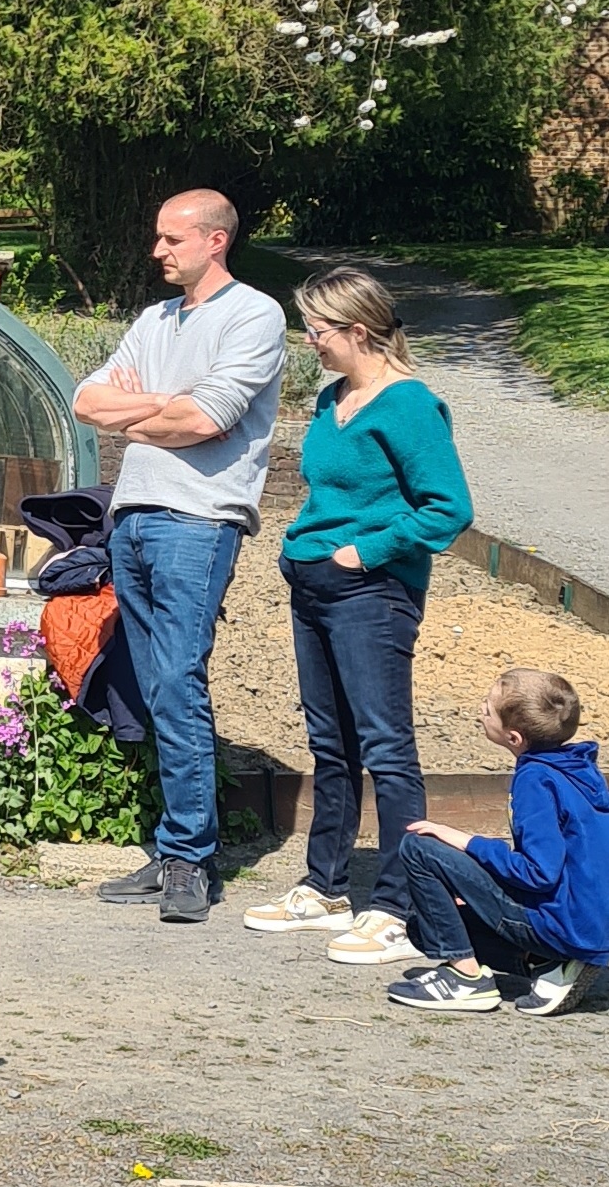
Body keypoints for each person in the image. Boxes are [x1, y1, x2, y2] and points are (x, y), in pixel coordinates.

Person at [69, 189, 289, 925]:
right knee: (156, 685)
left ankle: (191, 858)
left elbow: (207, 417)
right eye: (158, 238)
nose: (157, 251)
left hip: (199, 520)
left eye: (172, 239)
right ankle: (172, 850)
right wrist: (164, 407)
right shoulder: (154, 320)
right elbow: (86, 403)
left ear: (215, 240)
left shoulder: (254, 315)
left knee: (178, 680)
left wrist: (147, 411)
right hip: (132, 517)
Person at [243, 268, 472, 964]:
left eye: (318, 329)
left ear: (359, 330)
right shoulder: (331, 398)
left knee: (386, 748)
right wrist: (304, 552)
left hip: (371, 593)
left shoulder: (410, 406)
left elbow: (448, 508)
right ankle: (326, 887)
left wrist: (364, 552)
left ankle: (399, 907)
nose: (309, 340)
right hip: (313, 585)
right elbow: (327, 492)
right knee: (330, 743)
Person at [383, 670, 608, 1016]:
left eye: (487, 709)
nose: (480, 711)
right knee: (421, 927)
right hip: (587, 920)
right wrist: (476, 884)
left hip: (564, 923)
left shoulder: (535, 779)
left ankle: (465, 978)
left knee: (419, 848)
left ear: (514, 737)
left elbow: (539, 872)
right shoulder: (579, 769)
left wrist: (467, 842)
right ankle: (549, 963)